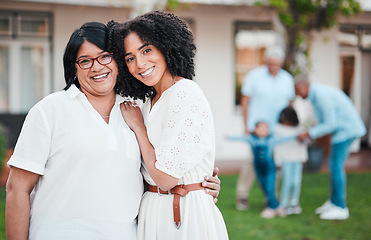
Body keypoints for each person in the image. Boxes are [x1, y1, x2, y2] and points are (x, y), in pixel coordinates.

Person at [5, 21, 220, 240]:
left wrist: (196, 184)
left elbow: (155, 170)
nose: (97, 67)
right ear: (74, 67)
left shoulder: (136, 110)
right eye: (85, 61)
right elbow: (17, 189)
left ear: (117, 62)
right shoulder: (49, 110)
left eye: (104, 57)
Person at [108, 11, 229, 239]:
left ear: (166, 47)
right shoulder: (148, 102)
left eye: (146, 50)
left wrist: (139, 128)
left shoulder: (184, 93)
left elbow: (165, 178)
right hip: (154, 209)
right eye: (130, 58)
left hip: (183, 214)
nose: (140, 64)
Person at [295, 76, 366, 220]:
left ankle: (340, 207)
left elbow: (331, 124)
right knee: (333, 165)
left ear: (303, 86)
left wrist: (309, 133)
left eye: (296, 90)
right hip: (341, 131)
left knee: (335, 166)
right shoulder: (316, 95)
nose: (297, 94)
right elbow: (326, 121)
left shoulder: (320, 96)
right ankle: (333, 202)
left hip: (346, 131)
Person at [236, 46, 295, 210]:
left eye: (276, 64)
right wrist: (246, 126)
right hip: (257, 129)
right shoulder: (254, 77)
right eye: (270, 63)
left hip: (277, 130)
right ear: (266, 62)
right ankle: (242, 196)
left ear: (281, 63)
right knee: (251, 162)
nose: (273, 67)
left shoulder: (287, 79)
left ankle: (270, 198)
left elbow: (289, 105)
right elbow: (245, 101)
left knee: (274, 164)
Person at [228, 121, 296, 218]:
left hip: (269, 168)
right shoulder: (252, 140)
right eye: (260, 128)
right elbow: (240, 138)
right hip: (258, 169)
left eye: (265, 128)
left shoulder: (271, 140)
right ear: (255, 130)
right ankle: (277, 207)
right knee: (264, 187)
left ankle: (271, 208)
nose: (263, 131)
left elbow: (283, 139)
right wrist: (228, 137)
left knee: (270, 187)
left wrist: (295, 136)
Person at [274, 106, 308, 215]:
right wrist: (277, 161)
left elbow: (303, 145)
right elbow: (277, 146)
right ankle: (284, 204)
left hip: (297, 159)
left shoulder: (299, 129)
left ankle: (294, 203)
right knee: (286, 182)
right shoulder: (278, 129)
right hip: (285, 160)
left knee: (296, 181)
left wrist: (303, 157)